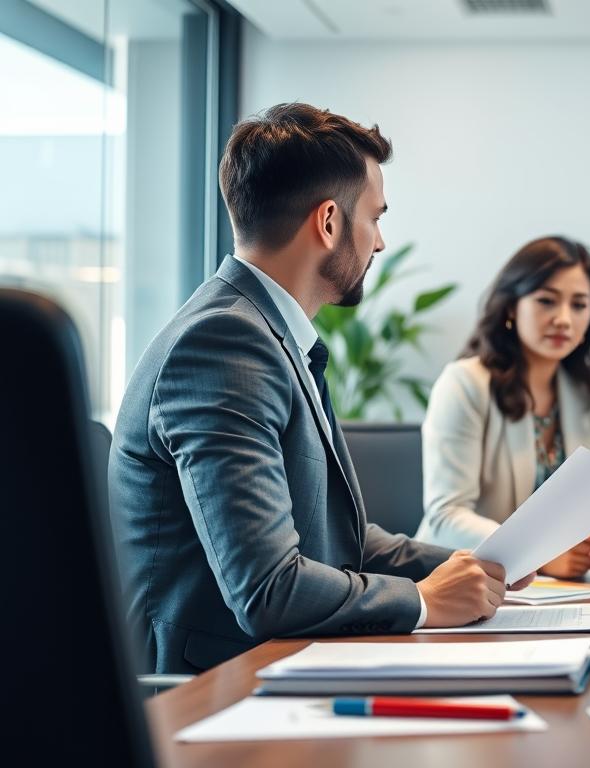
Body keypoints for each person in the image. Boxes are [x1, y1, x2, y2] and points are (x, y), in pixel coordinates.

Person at [109, 103, 529, 675]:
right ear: (329, 222)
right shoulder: (224, 344)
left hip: (273, 665)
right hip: (210, 690)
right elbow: (268, 588)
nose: (379, 243)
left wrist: (480, 564)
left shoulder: (263, 332)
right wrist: (426, 602)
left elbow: (336, 539)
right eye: (375, 218)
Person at [416, 236, 590, 578]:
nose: (564, 319)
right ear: (511, 307)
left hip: (557, 592)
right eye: (546, 301)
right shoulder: (464, 384)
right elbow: (446, 515)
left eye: (579, 305)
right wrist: (539, 555)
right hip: (460, 583)